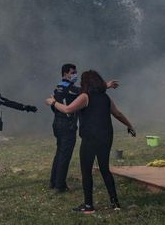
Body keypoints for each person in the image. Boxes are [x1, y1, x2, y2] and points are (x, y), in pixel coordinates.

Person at [45, 70, 135, 214]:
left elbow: (67, 109)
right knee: (105, 169)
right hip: (106, 137)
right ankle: (115, 203)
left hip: (90, 138)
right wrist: (130, 125)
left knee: (86, 171)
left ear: (85, 83)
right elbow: (117, 113)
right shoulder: (105, 97)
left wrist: (54, 102)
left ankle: (88, 206)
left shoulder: (85, 97)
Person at [49, 63, 119, 193]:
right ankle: (60, 185)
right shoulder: (70, 88)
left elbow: (54, 106)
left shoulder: (58, 87)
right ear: (65, 74)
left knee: (59, 153)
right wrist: (105, 85)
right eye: (72, 73)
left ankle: (53, 181)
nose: (75, 75)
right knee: (65, 155)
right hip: (67, 124)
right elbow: (87, 92)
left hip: (57, 123)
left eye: (75, 72)